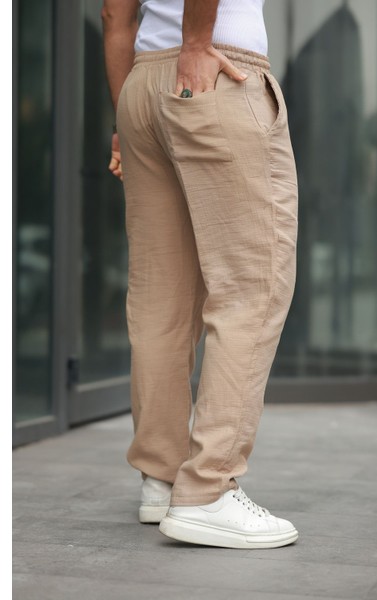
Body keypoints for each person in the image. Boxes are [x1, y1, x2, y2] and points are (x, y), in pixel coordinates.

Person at [102, 0, 299, 549]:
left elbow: (115, 17)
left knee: (161, 298)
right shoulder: (201, 50)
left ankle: (161, 478)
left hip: (141, 88)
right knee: (252, 287)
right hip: (214, 71)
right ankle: (208, 490)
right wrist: (194, 44)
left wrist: (125, 114)